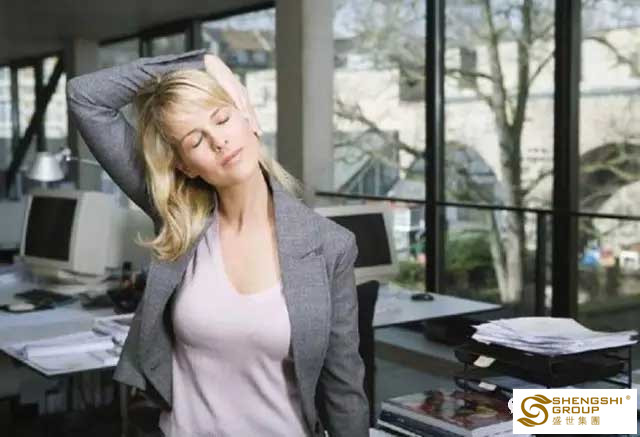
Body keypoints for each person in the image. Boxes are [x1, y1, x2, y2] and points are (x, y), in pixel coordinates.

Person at [65, 48, 369, 437]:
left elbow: (343, 391)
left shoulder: (329, 245)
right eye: (196, 141)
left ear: (248, 117)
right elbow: (86, 97)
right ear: (185, 166)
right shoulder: (179, 220)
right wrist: (201, 62)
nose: (219, 141)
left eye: (222, 118)